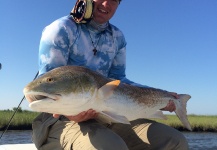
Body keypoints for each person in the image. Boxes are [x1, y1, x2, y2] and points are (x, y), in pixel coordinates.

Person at [32, 0, 189, 149]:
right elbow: (49, 84)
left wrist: (164, 96)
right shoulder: (61, 28)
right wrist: (70, 113)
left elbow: (119, 80)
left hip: (106, 114)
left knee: (174, 141)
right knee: (109, 146)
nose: (106, 4)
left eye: (114, 0)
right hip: (59, 118)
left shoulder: (117, 37)